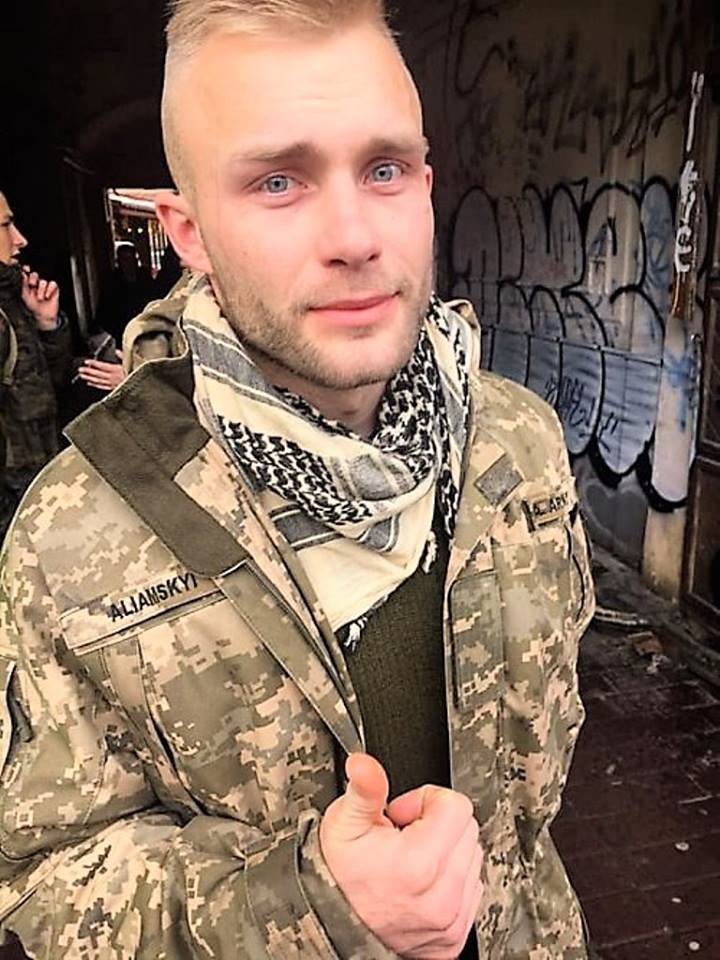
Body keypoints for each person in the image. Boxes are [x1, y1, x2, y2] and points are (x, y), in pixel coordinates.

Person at [0, 2, 595, 958]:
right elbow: (35, 879)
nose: (355, 236)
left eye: (384, 169)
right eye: (279, 181)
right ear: (189, 232)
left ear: (426, 185)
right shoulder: (73, 534)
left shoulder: (519, 443)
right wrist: (306, 908)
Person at [0, 191, 72, 543]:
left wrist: (46, 325)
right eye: (5, 225)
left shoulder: (11, 303)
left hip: (34, 503)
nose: (20, 239)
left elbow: (41, 393)